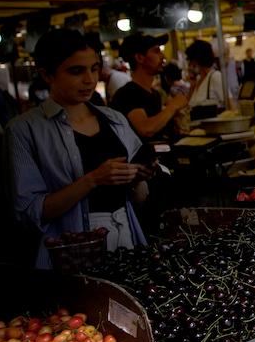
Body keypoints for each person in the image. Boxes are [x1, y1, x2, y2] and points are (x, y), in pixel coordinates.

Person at [8, 29, 150, 268]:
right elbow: (28, 213)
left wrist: (139, 177)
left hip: (127, 235)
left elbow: (139, 197)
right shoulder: (24, 130)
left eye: (94, 69)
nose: (89, 79)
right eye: (76, 71)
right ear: (47, 74)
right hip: (71, 250)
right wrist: (93, 179)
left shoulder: (115, 120)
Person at [111, 33, 188, 141]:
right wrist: (173, 106)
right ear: (139, 58)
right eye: (156, 51)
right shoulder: (128, 94)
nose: (163, 56)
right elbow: (146, 129)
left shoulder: (154, 93)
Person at [184, 39, 225, 114]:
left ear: (198, 60)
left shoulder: (215, 76)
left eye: (191, 61)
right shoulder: (198, 80)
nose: (190, 66)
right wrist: (192, 86)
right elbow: (189, 106)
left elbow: (230, 104)